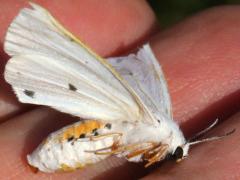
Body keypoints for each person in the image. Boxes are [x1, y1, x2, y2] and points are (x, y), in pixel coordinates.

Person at [0, 1, 239, 179]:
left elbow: (133, 150)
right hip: (78, 140)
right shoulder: (157, 128)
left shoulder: (160, 128)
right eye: (173, 155)